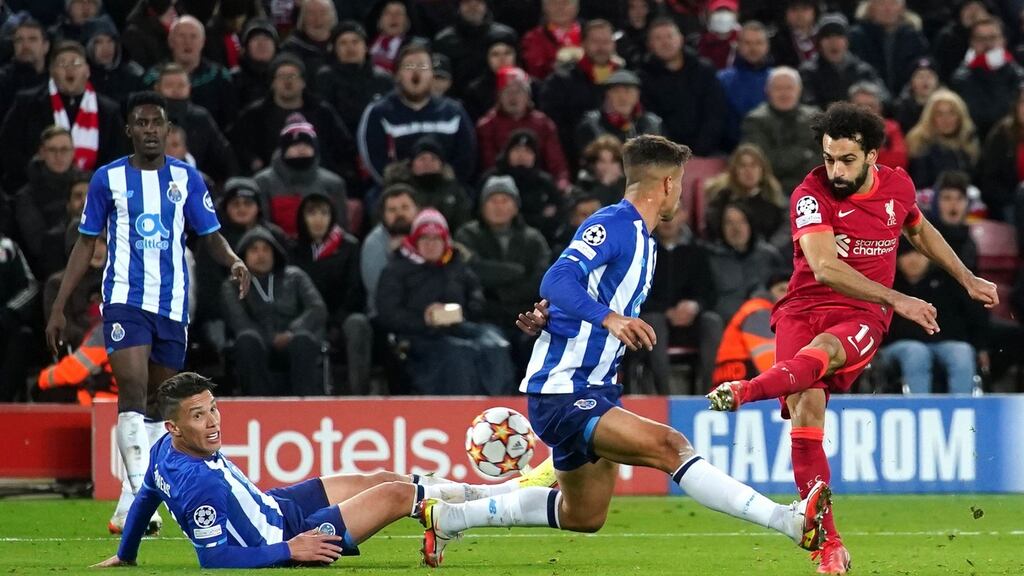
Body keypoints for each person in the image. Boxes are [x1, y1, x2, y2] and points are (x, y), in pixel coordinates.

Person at [418, 135, 831, 569]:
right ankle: (788, 521)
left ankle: (448, 517)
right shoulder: (615, 224)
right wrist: (608, 319)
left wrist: (559, 317)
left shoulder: (645, 241)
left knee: (582, 515)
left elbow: (567, 295)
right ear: (668, 184)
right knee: (671, 445)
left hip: (595, 388)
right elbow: (555, 280)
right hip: (565, 389)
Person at [706, 103, 998, 574]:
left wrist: (966, 278)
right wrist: (901, 298)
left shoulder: (898, 186)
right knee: (806, 410)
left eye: (846, 160)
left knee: (821, 355)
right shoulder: (809, 193)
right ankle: (830, 547)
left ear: (872, 157)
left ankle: (747, 391)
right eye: (828, 158)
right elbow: (823, 267)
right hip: (803, 307)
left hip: (861, 313)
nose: (835, 170)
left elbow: (919, 232)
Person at [44, 91, 252, 534]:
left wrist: (233, 259)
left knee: (161, 405)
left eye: (158, 123)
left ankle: (126, 509)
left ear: (168, 129)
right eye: (142, 123)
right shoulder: (108, 179)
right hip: (124, 299)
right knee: (133, 391)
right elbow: (86, 242)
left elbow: (209, 233)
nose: (151, 130)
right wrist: (59, 304)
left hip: (172, 303)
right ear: (130, 131)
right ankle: (142, 492)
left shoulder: (188, 179)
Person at [92, 371, 558, 568]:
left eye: (213, 409)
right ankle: (497, 501)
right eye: (199, 416)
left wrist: (128, 553)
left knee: (379, 477)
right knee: (397, 497)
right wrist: (290, 550)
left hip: (275, 507)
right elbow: (213, 561)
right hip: (286, 536)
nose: (213, 422)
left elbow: (146, 496)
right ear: (174, 425)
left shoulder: (162, 451)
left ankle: (477, 493)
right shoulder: (199, 485)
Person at [376, 209, 515, 395]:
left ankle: (499, 405)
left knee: (495, 343)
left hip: (459, 326)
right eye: (425, 238)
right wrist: (425, 318)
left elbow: (476, 297)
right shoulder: (396, 270)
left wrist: (459, 312)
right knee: (458, 353)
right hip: (418, 335)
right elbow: (388, 312)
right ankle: (461, 410)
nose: (431, 244)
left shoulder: (457, 265)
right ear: (415, 241)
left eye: (436, 239)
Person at [0, 40, 126, 192]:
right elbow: (9, 147)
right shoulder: (27, 103)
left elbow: (118, 158)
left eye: (76, 63)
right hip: (36, 191)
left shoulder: (108, 110)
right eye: (62, 63)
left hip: (92, 194)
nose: (69, 69)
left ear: (87, 70)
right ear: (52, 71)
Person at [455, 175, 551, 373]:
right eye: (493, 201)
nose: (499, 206)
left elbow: (540, 280)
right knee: (493, 348)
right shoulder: (467, 235)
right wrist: (517, 271)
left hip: (525, 315)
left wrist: (502, 291)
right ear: (482, 206)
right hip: (485, 316)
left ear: (515, 206)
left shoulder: (534, 239)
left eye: (505, 200)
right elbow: (474, 272)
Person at [223, 226, 327, 396]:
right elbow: (239, 321)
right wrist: (269, 338)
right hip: (258, 345)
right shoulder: (233, 285)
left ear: (275, 253)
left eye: (266, 249)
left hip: (291, 340)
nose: (261, 255)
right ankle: (256, 406)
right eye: (254, 250)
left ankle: (307, 407)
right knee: (247, 339)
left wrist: (291, 332)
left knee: (304, 339)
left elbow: (317, 308)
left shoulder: (295, 277)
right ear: (243, 255)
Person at [357, 43, 477, 185]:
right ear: (398, 75)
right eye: (409, 67)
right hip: (397, 193)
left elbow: (466, 157)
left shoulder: (453, 111)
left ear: (432, 74)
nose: (416, 72)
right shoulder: (379, 112)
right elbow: (375, 160)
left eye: (422, 66)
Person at [880, 241, 988, 394]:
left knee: (962, 351)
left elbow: (973, 314)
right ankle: (919, 409)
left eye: (917, 254)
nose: (912, 260)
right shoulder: (888, 284)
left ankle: (961, 409)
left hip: (943, 342)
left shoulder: (948, 281)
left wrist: (981, 346)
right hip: (899, 345)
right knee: (916, 352)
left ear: (928, 257)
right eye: (906, 254)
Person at [291, 193, 373, 394]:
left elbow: (355, 291)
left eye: (324, 213)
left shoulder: (349, 247)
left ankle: (360, 397)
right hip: (307, 318)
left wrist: (336, 321)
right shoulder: (292, 250)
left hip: (341, 317)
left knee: (358, 324)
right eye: (312, 213)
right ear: (302, 218)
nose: (318, 219)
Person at [230, 53, 355, 180]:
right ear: (272, 83)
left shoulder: (322, 112)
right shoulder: (254, 114)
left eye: (293, 76)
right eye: (281, 76)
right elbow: (237, 146)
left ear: (303, 82)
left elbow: (343, 148)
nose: (287, 81)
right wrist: (253, 161)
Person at [638, 206, 721, 393]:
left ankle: (708, 393)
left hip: (691, 322)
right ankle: (664, 395)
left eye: (673, 214)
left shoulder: (697, 252)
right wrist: (667, 311)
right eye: (663, 214)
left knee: (712, 322)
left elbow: (710, 293)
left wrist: (695, 306)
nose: (668, 220)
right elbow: (635, 296)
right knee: (653, 322)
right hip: (656, 320)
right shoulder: (642, 252)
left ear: (683, 215)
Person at [639, 18, 727, 157]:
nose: (665, 42)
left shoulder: (704, 70)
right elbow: (651, 121)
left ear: (680, 39)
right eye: (658, 38)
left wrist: (699, 151)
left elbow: (715, 113)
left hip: (707, 152)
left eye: (670, 36)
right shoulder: (643, 77)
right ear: (650, 44)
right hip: (665, 156)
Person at [253, 113, 349, 238]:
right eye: (294, 145)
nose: (301, 149)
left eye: (307, 145)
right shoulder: (262, 182)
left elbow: (341, 230)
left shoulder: (334, 184)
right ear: (283, 149)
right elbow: (261, 228)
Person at [539, 19, 623, 160]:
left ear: (613, 45)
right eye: (595, 41)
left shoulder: (626, 79)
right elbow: (552, 125)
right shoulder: (560, 80)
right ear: (583, 44)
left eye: (606, 42)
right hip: (574, 155)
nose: (601, 47)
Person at [476, 66, 568, 188]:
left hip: (538, 185)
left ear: (528, 96)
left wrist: (562, 183)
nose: (513, 97)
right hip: (501, 186)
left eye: (518, 91)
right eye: (507, 91)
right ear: (498, 96)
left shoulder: (543, 123)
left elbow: (556, 163)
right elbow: (489, 164)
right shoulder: (487, 125)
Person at [13, 126, 83, 281]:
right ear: (42, 153)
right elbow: (38, 245)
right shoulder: (26, 196)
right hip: (48, 272)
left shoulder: (88, 184)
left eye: (64, 150)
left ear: (73, 152)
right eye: (52, 150)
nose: (59, 156)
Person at [143, 15, 236, 130]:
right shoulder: (152, 78)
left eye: (193, 36)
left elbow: (230, 121)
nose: (187, 42)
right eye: (181, 36)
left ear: (202, 42)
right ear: (171, 42)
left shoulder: (220, 77)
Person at [153, 63, 238, 186]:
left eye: (181, 85)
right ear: (157, 88)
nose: (176, 90)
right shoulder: (147, 120)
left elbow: (224, 156)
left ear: (189, 87)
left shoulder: (201, 118)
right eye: (169, 85)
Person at [741, 66, 820, 195]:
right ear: (767, 91)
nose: (784, 93)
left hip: (812, 188)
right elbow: (764, 162)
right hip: (771, 191)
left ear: (799, 90)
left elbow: (824, 159)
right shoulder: (755, 121)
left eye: (789, 88)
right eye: (778, 88)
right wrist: (802, 154)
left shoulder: (814, 118)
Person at [712, 269, 790, 387]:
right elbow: (768, 365)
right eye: (781, 290)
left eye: (791, 290)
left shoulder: (770, 313)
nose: (786, 295)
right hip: (739, 384)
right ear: (769, 292)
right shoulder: (759, 313)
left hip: (732, 384)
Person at [950, 17, 1024, 141]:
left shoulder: (1019, 77)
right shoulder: (960, 80)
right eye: (981, 39)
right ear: (972, 43)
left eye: (993, 38)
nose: (987, 44)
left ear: (1003, 40)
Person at [316, 21, 394, 136]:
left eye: (355, 41)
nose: (350, 48)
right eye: (343, 43)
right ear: (334, 49)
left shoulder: (383, 79)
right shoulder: (325, 78)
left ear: (366, 47)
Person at [703, 143, 786, 245]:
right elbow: (713, 233)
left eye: (754, 165)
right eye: (743, 166)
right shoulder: (721, 200)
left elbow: (782, 236)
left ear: (762, 170)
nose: (749, 171)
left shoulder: (773, 200)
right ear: (735, 171)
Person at [798, 13, 885, 109]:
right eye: (827, 37)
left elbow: (884, 97)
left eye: (839, 36)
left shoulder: (863, 71)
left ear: (847, 41)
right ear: (820, 42)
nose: (833, 42)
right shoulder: (809, 72)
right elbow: (808, 103)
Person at [432, 0, 516, 98]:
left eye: (478, 2)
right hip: (457, 101)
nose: (473, 7)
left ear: (486, 4)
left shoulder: (505, 36)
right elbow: (439, 79)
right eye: (467, 2)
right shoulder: (444, 41)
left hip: (496, 100)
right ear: (459, 5)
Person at [361, 184, 420, 318]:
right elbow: (380, 290)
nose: (399, 214)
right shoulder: (374, 243)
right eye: (392, 210)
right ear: (383, 215)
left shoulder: (430, 234)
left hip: (433, 311)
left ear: (417, 210)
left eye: (405, 208)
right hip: (388, 315)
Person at [847, 0, 929, 96]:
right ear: (869, 7)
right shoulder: (856, 37)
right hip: (867, 98)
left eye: (893, 3)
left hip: (907, 100)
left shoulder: (913, 36)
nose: (888, 9)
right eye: (881, 3)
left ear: (902, 8)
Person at [574, 69, 662, 155]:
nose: (622, 98)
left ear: (638, 95)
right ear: (607, 95)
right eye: (616, 92)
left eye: (628, 91)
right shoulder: (592, 125)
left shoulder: (652, 124)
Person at [905, 88, 979, 190]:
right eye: (939, 114)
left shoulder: (969, 144)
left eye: (952, 113)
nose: (946, 119)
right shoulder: (920, 146)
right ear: (931, 118)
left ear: (960, 117)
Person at [717, 20, 772, 151]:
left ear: (767, 46)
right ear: (738, 45)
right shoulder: (722, 79)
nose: (753, 48)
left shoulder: (777, 79)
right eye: (747, 43)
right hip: (731, 149)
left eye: (758, 43)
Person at [0, 231, 38, 402]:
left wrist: (8, 312)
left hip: (4, 323)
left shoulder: (7, 248)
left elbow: (30, 287)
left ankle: (4, 402)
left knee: (22, 337)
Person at [978, 85, 1024, 221]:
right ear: (1016, 106)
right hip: (1010, 204)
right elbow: (990, 181)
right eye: (1023, 102)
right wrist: (1016, 199)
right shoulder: (1002, 134)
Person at [82, 15, 146, 108]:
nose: (106, 48)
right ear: (88, 46)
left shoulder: (132, 74)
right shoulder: (83, 79)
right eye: (98, 42)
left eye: (110, 41)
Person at [849, 80, 908, 170]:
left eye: (871, 106)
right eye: (859, 106)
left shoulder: (892, 128)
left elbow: (899, 161)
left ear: (880, 108)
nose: (865, 111)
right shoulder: (842, 130)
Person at [0, 18, 49, 122]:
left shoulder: (55, 79)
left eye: (32, 39)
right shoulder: (3, 80)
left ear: (46, 46)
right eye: (19, 40)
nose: (25, 46)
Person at [520, 0, 582, 80]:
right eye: (553, 3)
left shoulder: (591, 34)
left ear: (576, 7)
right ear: (544, 8)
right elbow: (535, 71)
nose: (560, 8)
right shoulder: (533, 38)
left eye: (565, 3)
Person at [279, 0, 335, 85]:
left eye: (323, 13)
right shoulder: (290, 49)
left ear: (332, 17)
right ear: (303, 18)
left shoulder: (341, 44)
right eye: (311, 13)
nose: (318, 19)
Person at [231, 18, 278, 111]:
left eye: (266, 38)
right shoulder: (233, 80)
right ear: (245, 48)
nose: (261, 44)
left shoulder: (282, 79)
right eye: (255, 39)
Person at [892, 57, 940, 134]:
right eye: (920, 76)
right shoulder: (900, 108)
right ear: (911, 81)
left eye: (929, 76)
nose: (925, 81)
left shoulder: (944, 104)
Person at [769, 0, 819, 69]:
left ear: (814, 12)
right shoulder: (776, 41)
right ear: (786, 13)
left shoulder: (823, 36)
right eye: (794, 9)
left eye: (805, 9)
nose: (800, 14)